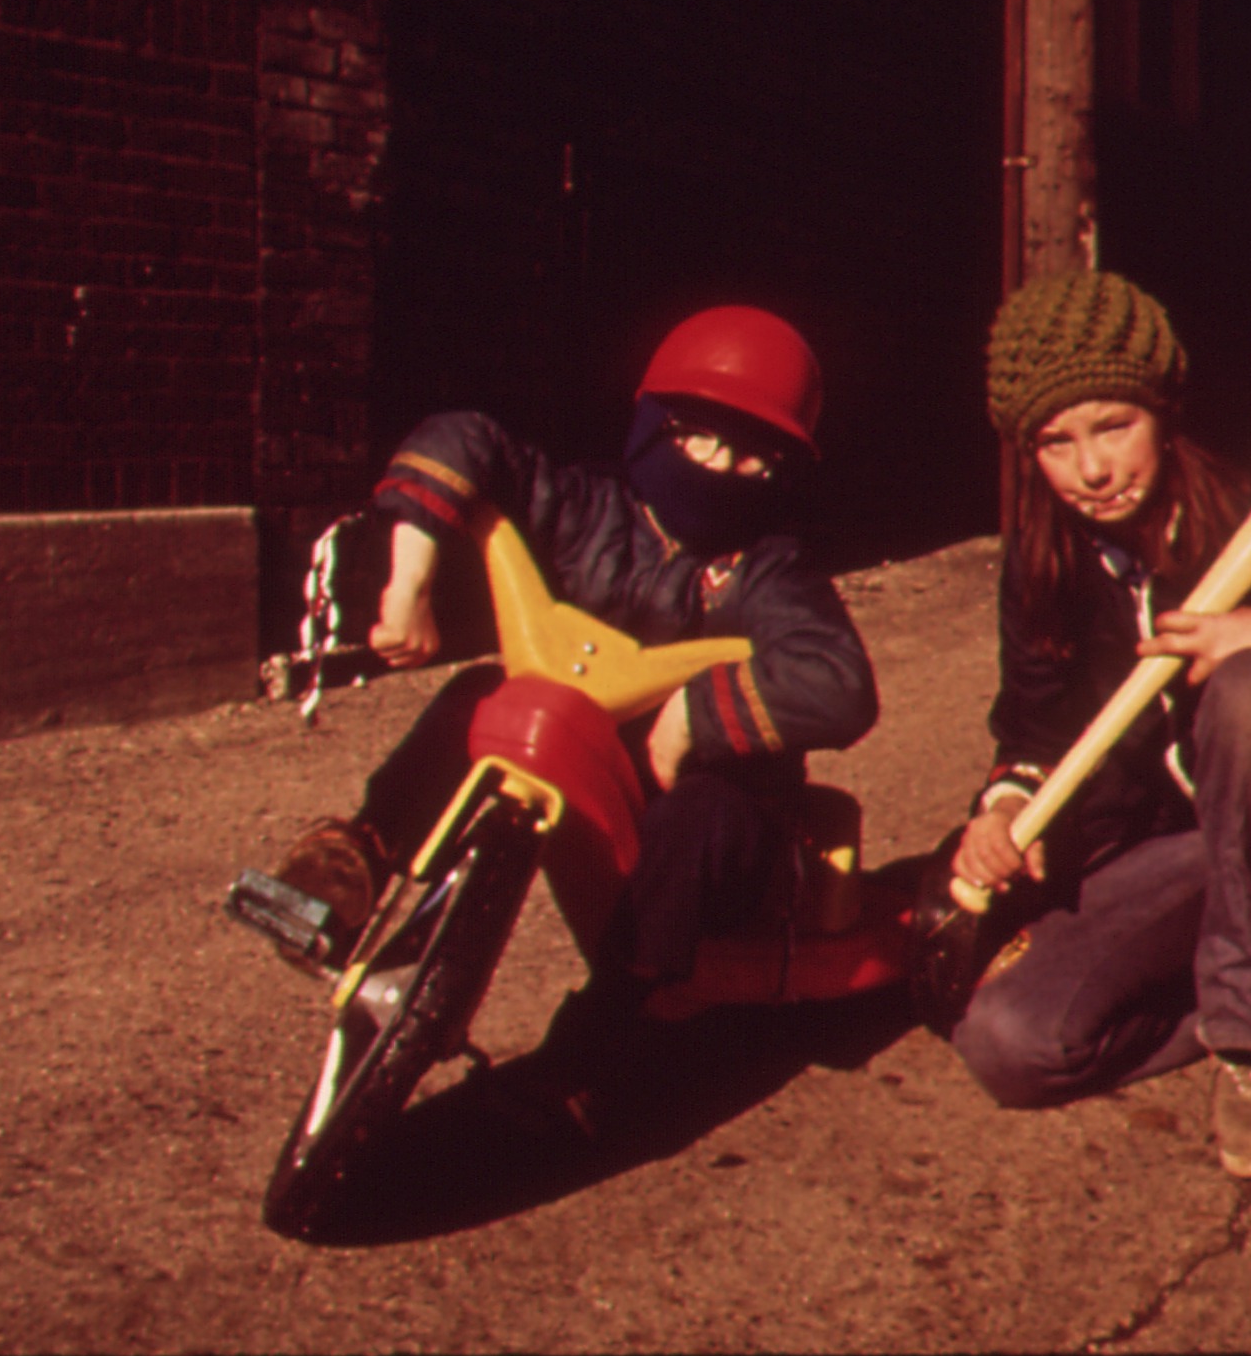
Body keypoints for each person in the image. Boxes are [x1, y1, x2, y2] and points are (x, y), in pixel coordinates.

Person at [264, 305, 879, 1136]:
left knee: (703, 817)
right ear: (658, 425)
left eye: (755, 456)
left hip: (694, 807)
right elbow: (462, 439)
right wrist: (408, 583)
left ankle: (617, 1021)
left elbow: (838, 681)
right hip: (591, 770)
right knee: (484, 696)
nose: (725, 467)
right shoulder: (585, 506)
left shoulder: (768, 569)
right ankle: (356, 860)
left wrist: (695, 718)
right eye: (704, 438)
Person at [945, 270, 1251, 1180]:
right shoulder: (1043, 563)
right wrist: (1006, 807)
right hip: (1182, 855)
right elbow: (1033, 733)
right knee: (1008, 1044)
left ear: (1165, 411)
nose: (1090, 469)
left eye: (1113, 425)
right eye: (1055, 443)